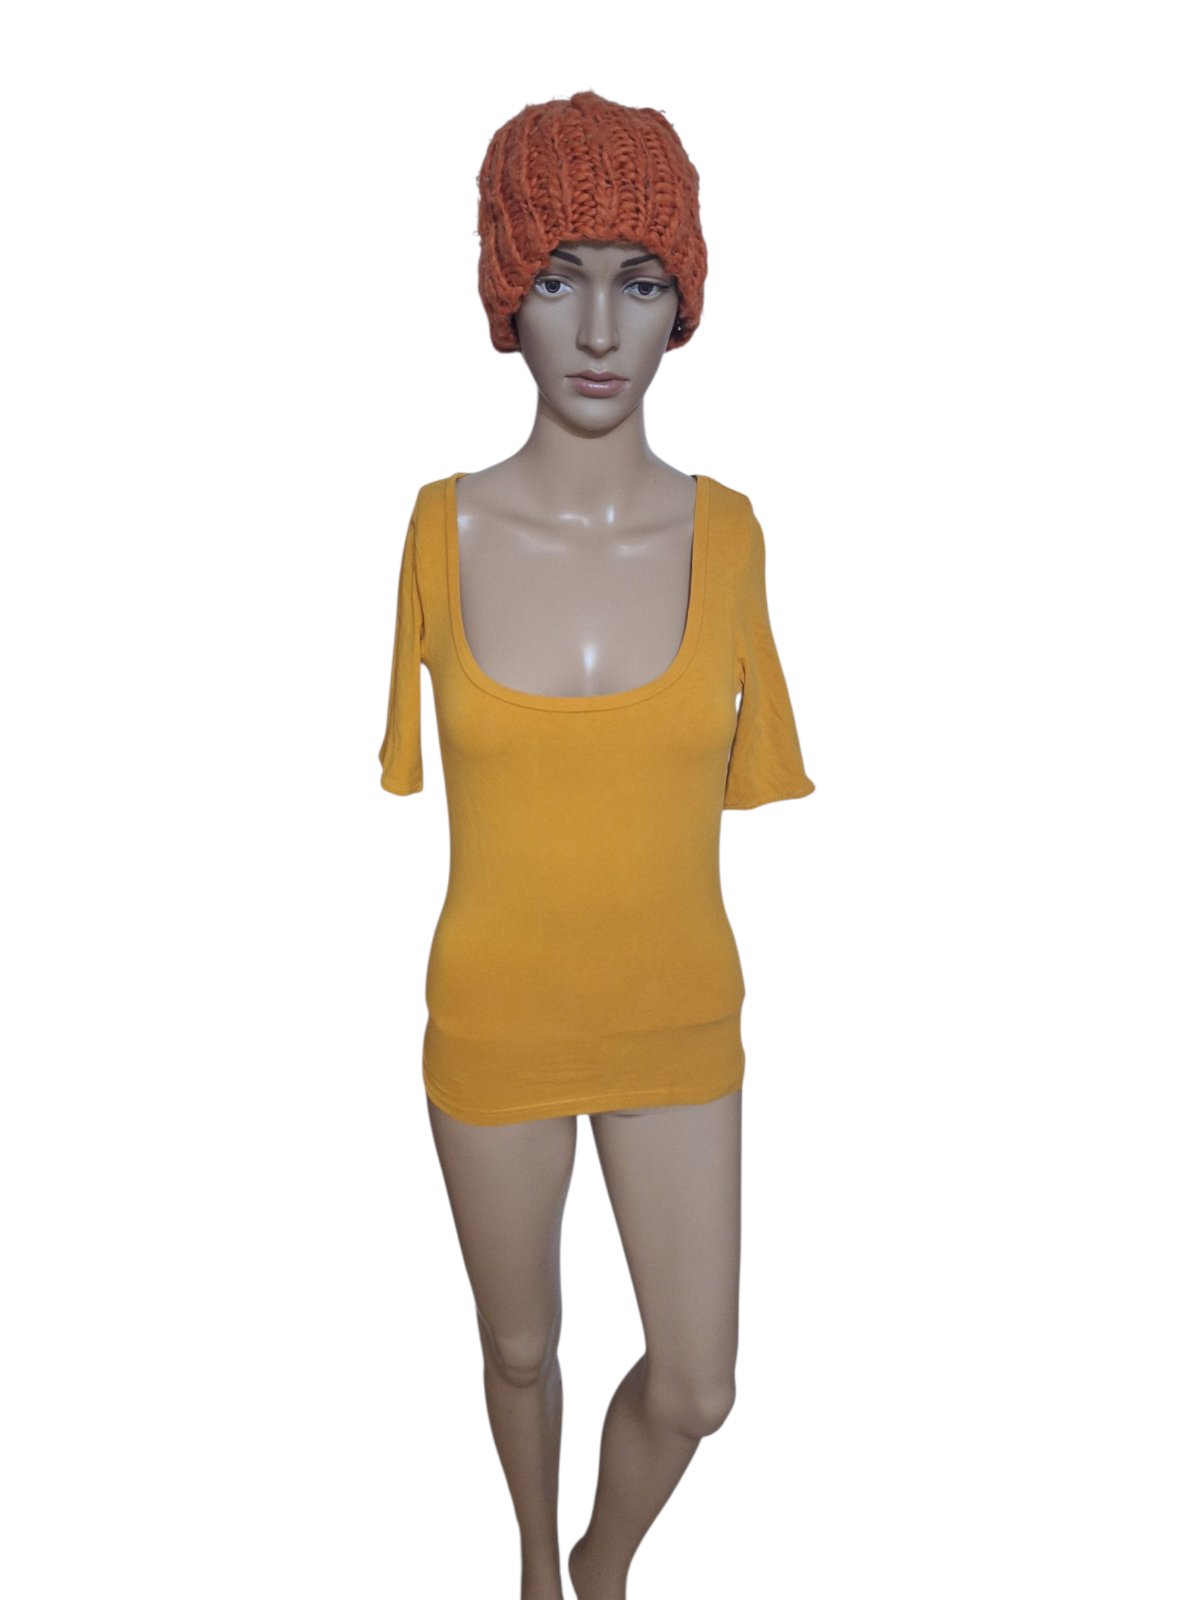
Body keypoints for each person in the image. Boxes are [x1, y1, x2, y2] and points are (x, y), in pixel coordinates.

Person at [379, 89, 816, 1600]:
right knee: (519, 1346)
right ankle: (532, 1568)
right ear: (507, 291)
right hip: (495, 1016)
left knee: (697, 1383)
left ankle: (601, 1559)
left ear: (682, 299)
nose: (598, 326)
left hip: (676, 1018)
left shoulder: (729, 536)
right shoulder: (438, 531)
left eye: (639, 280)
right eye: (558, 275)